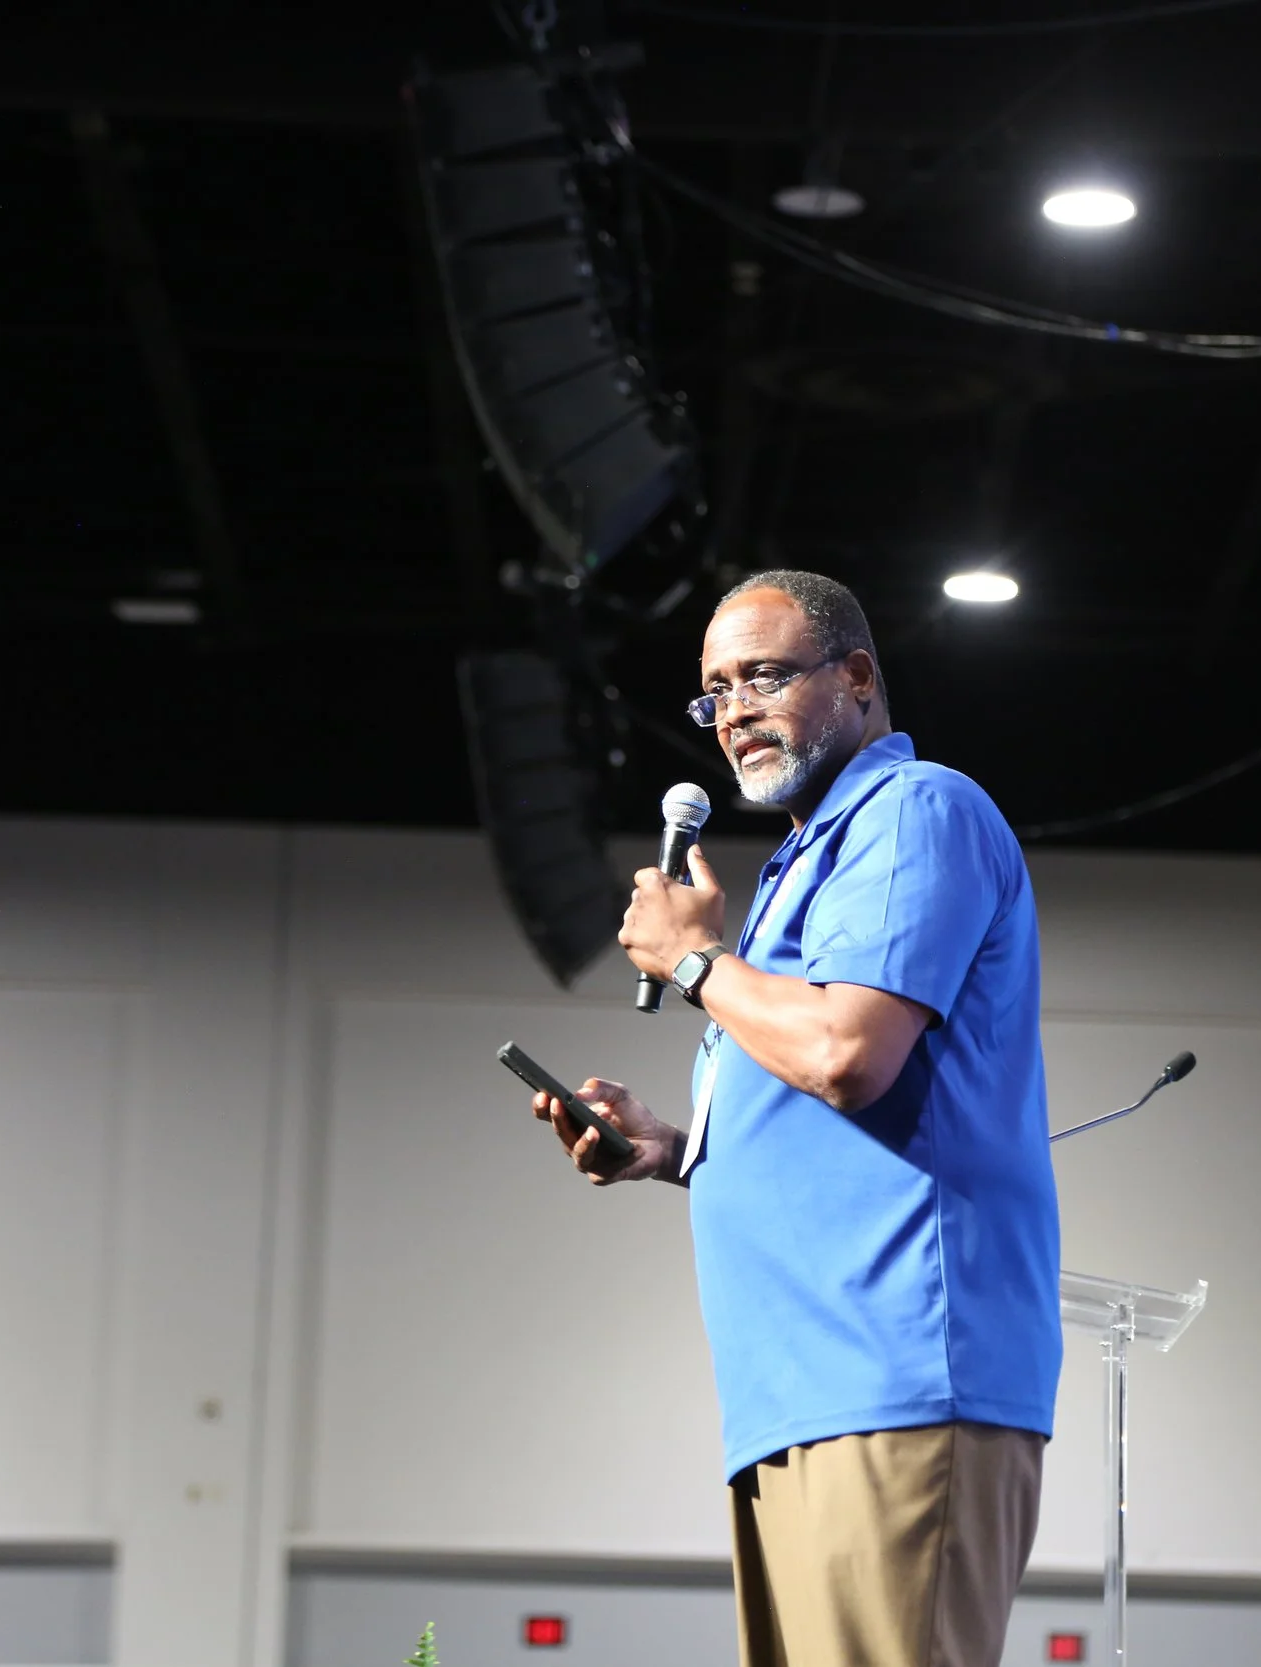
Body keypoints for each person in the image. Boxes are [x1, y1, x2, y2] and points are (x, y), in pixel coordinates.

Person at [525, 569, 1062, 1667]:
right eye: (713, 692)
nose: (733, 713)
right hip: (795, 1391)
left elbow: (846, 1053)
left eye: (763, 675)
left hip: (899, 1372)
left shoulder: (919, 810)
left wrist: (692, 957)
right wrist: (673, 1151)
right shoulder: (796, 868)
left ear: (856, 677)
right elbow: (814, 1097)